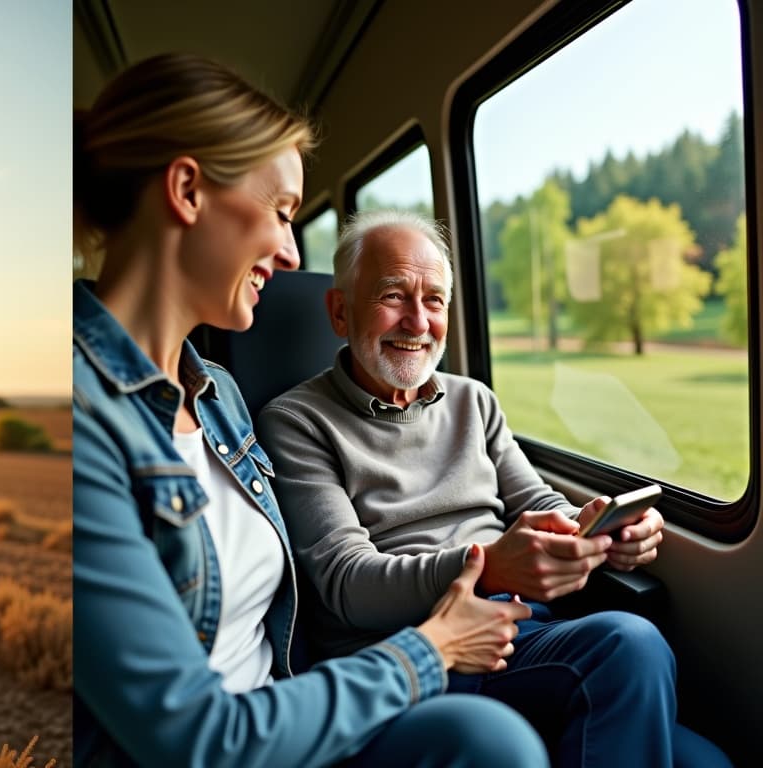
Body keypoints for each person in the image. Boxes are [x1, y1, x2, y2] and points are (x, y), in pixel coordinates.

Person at [73, 54, 549, 768]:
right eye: (283, 212)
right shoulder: (80, 422)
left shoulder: (222, 399)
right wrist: (433, 646)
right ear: (187, 190)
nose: (293, 254)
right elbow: (195, 738)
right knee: (494, 745)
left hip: (293, 709)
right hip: (231, 745)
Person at [258, 208, 730, 767]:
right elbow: (346, 583)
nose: (417, 321)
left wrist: (597, 526)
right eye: (393, 296)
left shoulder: (473, 400)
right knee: (628, 655)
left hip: (519, 632)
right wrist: (490, 565)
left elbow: (539, 503)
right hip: (412, 654)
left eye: (434, 300)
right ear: (340, 312)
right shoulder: (295, 421)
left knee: (672, 705)